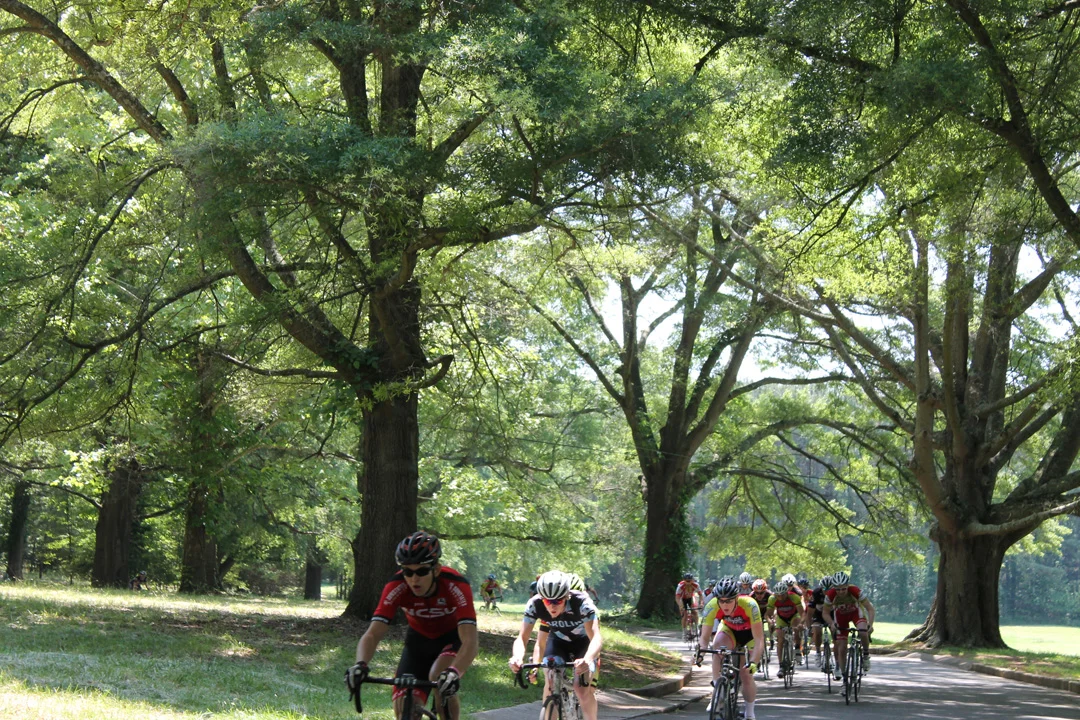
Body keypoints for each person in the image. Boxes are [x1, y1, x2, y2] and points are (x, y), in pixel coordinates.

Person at [345, 532, 478, 720]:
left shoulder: (455, 584)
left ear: (436, 570)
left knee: (440, 677)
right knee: (405, 706)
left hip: (452, 639)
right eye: (408, 572)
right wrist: (360, 664)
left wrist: (454, 672)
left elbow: (470, 641)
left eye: (422, 571)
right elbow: (373, 634)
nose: (414, 579)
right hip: (418, 642)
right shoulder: (396, 586)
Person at [510, 571, 602, 720]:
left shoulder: (582, 602)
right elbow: (522, 637)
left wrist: (588, 658)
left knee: (581, 689)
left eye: (557, 602)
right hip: (558, 642)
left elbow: (596, 638)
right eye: (547, 601)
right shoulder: (535, 604)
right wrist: (517, 657)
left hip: (584, 644)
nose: (552, 606)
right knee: (551, 680)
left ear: (566, 596)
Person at [698, 577, 764, 720]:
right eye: (721, 601)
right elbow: (704, 637)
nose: (725, 604)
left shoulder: (750, 605)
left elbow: (759, 640)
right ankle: (718, 692)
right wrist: (700, 653)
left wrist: (753, 662)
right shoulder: (712, 606)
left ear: (736, 598)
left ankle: (750, 712)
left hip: (749, 635)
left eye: (728, 601)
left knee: (746, 673)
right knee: (717, 648)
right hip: (730, 631)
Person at [822, 570, 875, 680]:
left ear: (847, 585)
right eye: (838, 589)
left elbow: (870, 608)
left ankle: (865, 655)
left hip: (855, 613)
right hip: (840, 616)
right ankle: (845, 676)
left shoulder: (855, 591)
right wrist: (831, 623)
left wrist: (870, 624)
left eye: (843, 589)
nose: (841, 592)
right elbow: (825, 613)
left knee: (862, 632)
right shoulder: (830, 595)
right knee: (841, 647)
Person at [768, 579, 806, 678]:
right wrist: (770, 621)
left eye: (782, 595)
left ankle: (797, 648)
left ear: (787, 593)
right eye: (778, 595)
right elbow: (768, 614)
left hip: (794, 616)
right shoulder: (772, 599)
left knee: (797, 627)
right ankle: (781, 666)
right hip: (781, 618)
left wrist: (801, 624)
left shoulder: (794, 597)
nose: (780, 597)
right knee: (780, 639)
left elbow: (802, 614)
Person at [807, 576, 833, 667]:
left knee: (835, 632)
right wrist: (809, 628)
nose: (827, 591)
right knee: (817, 632)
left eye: (829, 589)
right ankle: (818, 652)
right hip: (818, 615)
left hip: (831, 615)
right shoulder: (816, 593)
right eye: (824, 589)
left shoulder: (835, 594)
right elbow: (809, 613)